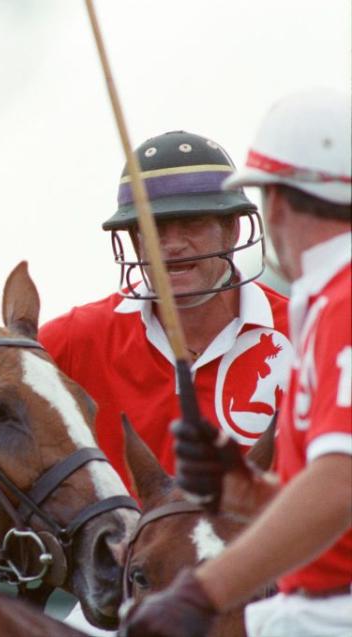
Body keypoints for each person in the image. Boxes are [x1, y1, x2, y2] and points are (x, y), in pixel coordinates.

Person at [122, 89, 352, 637]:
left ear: (272, 203)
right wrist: (243, 490)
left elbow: (341, 487)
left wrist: (203, 593)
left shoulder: (344, 301)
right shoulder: (322, 301)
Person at [38, 130, 292, 485]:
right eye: (153, 228)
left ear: (232, 230)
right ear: (133, 239)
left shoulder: (305, 333)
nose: (172, 245)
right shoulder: (71, 340)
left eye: (192, 223)